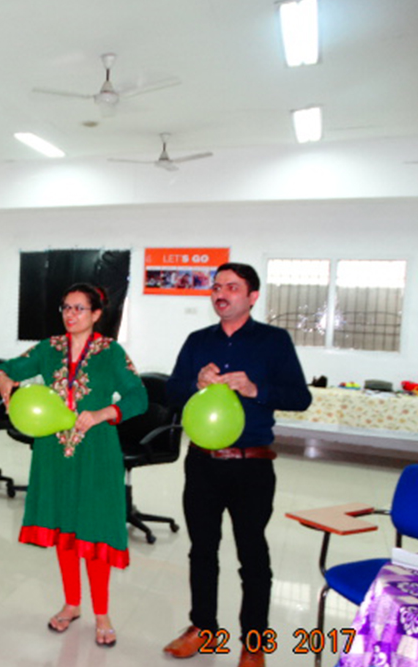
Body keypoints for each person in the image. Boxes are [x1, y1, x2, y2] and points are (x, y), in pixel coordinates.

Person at [162, 263, 312, 667]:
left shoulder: (274, 341)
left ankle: (254, 642)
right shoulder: (197, 341)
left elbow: (300, 397)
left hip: (252, 465)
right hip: (202, 463)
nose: (220, 293)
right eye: (216, 287)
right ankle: (203, 628)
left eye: (231, 287)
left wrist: (255, 389)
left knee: (253, 554)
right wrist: (194, 383)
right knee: (202, 550)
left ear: (252, 296)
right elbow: (171, 391)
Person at [0, 283, 147, 647]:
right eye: (66, 307)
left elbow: (138, 396)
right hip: (54, 450)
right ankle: (72, 604)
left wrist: (103, 413)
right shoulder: (50, 348)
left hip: (96, 450)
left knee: (94, 530)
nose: (70, 314)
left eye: (79, 308)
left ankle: (102, 613)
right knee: (64, 528)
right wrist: (2, 379)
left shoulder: (110, 352)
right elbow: (7, 367)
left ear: (97, 314)